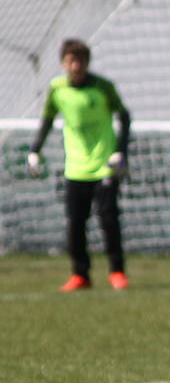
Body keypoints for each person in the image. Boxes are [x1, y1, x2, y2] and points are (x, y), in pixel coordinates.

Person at [26, 39, 132, 292]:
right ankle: (80, 274)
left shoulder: (103, 87)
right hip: (75, 168)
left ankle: (117, 271)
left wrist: (120, 152)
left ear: (87, 63)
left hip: (104, 165)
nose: (75, 66)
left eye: (80, 61)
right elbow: (48, 119)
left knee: (109, 220)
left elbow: (124, 116)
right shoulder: (58, 89)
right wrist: (34, 150)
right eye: (70, 61)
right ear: (64, 63)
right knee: (75, 222)